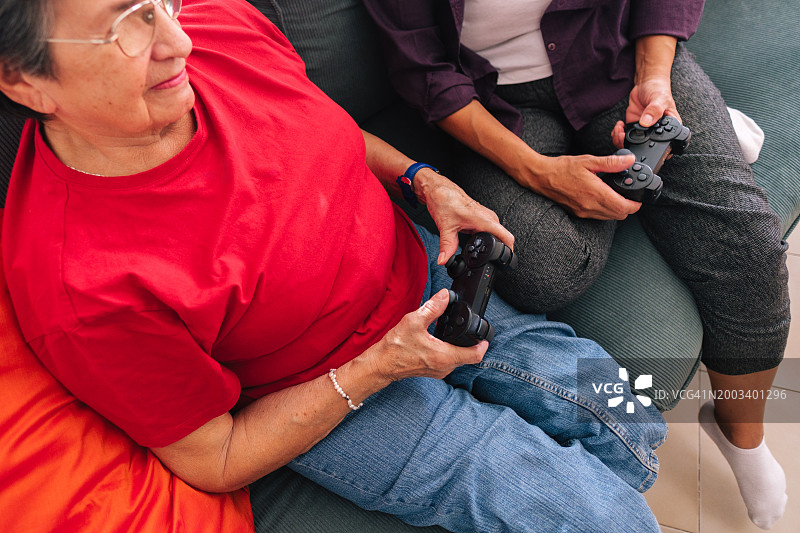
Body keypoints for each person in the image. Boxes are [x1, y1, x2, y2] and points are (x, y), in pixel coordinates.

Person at [0, 0, 668, 531]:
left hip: (427, 277)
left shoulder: (218, 25)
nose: (178, 40)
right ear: (23, 80)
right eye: (126, 23)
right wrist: (380, 365)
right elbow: (216, 457)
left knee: (629, 417)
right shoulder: (80, 287)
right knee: (603, 516)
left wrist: (422, 178)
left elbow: (325, 126)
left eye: (162, 1)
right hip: (332, 399)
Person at [361, 0, 790, 529]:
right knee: (543, 271)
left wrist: (655, 79)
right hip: (497, 105)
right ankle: (666, 160)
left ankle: (740, 433)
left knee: (748, 247)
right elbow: (423, 71)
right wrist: (542, 174)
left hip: (614, 57)